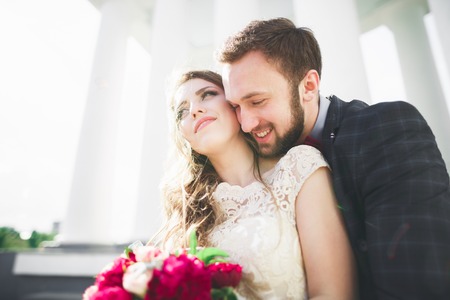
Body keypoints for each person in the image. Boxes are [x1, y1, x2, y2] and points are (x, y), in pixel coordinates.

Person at [216, 17, 450, 300]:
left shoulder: (383, 130)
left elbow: (415, 280)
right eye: (235, 106)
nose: (246, 124)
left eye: (257, 102)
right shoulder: (248, 161)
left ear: (309, 86)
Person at [157, 70, 357, 299]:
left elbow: (335, 293)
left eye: (208, 94)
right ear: (184, 137)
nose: (194, 110)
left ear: (236, 105)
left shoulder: (298, 168)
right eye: (182, 111)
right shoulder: (186, 213)